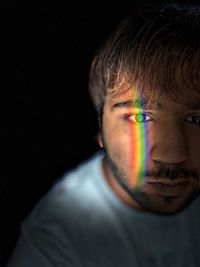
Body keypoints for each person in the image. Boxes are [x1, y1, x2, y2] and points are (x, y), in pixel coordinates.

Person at [7, 3, 200, 267]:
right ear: (100, 129)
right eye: (139, 117)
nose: (172, 155)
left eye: (196, 119)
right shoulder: (54, 243)